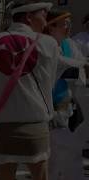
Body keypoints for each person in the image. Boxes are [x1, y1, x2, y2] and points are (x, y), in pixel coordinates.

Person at [0, 1, 59, 179]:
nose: (45, 22)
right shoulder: (48, 43)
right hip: (35, 122)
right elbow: (50, 82)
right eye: (43, 16)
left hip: (1, 124)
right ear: (29, 17)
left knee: (4, 175)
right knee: (40, 175)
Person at [45, 10, 89, 180]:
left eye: (69, 23)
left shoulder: (69, 44)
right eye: (65, 24)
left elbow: (80, 70)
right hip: (47, 109)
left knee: (65, 156)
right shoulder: (44, 45)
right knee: (57, 157)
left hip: (65, 107)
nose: (68, 27)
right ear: (51, 27)